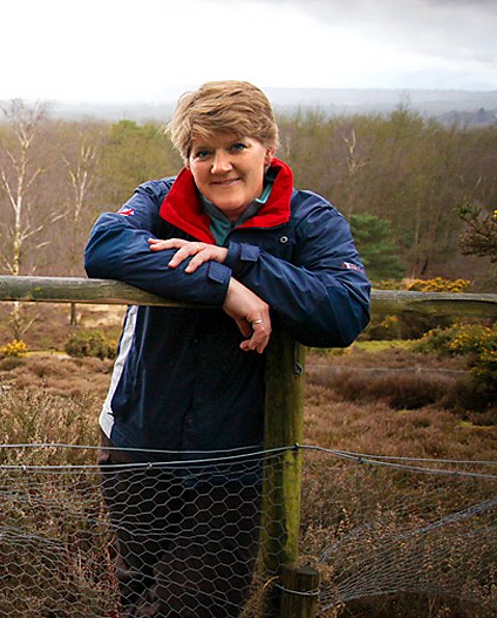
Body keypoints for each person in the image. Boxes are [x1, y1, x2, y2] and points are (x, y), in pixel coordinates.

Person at [83, 81, 371, 617]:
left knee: (197, 604)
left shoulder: (307, 220)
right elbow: (105, 248)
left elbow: (344, 311)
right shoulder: (159, 202)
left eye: (236, 146)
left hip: (233, 461)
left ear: (268, 149)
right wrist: (224, 288)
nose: (220, 166)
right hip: (137, 440)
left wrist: (239, 261)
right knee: (136, 590)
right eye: (203, 152)